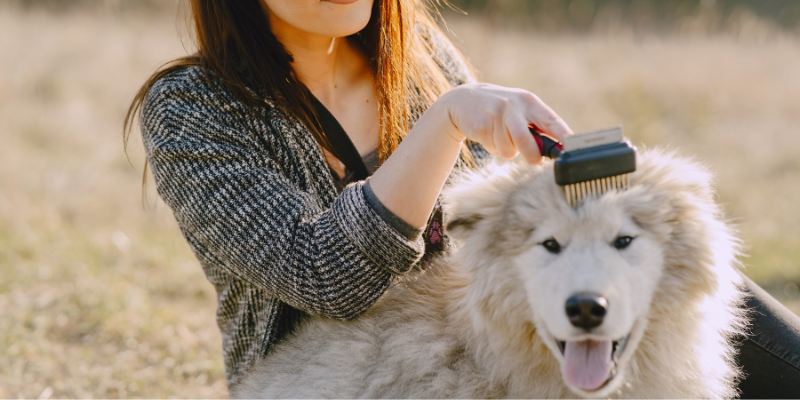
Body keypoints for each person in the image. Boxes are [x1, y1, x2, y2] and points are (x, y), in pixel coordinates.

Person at [124, 0, 800, 397]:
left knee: (685, 287)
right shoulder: (193, 107)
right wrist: (445, 122)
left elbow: (495, 229)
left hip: (483, 323)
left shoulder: (416, 56)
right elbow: (322, 276)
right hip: (343, 371)